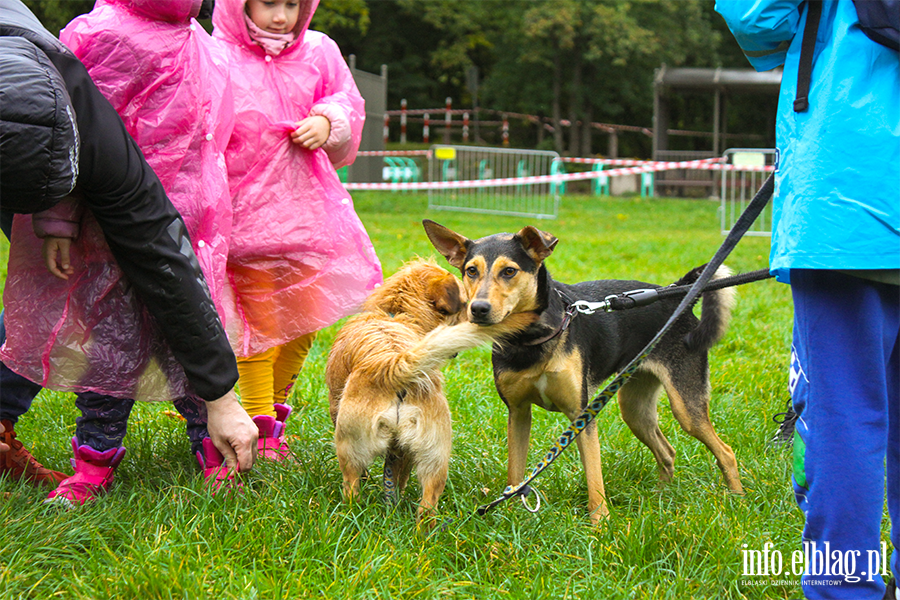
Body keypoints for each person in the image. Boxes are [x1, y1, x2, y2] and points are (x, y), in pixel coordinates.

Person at [0, 0, 257, 500]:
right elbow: (62, 131)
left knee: (182, 339)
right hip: (103, 234)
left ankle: (214, 445)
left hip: (179, 228)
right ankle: (94, 460)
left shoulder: (203, 46)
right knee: (104, 354)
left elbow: (216, 145)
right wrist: (58, 221)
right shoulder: (101, 33)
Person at [715, 1, 900, 598]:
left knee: (844, 420)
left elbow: (758, 20)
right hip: (855, 200)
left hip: (850, 192)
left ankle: (845, 590)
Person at [211, 0, 382, 459]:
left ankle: (275, 416)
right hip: (245, 218)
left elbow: (347, 99)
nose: (282, 16)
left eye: (292, 3)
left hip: (308, 214)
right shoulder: (216, 54)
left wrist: (329, 121)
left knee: (304, 323)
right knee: (256, 327)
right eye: (269, 3)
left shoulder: (319, 49)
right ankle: (258, 426)